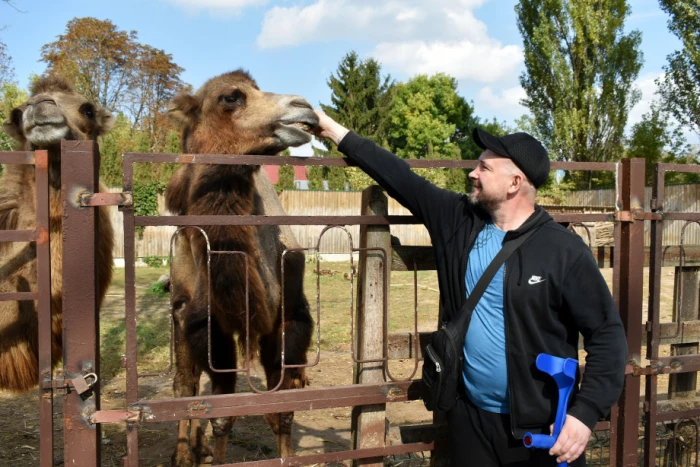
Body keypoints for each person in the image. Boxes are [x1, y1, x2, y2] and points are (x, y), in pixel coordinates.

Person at [312, 110, 627, 467]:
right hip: (469, 420)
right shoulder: (458, 219)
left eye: (484, 168)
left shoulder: (563, 251)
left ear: (514, 183)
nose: (472, 173)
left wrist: (584, 415)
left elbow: (608, 336)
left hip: (542, 428)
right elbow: (400, 176)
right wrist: (334, 130)